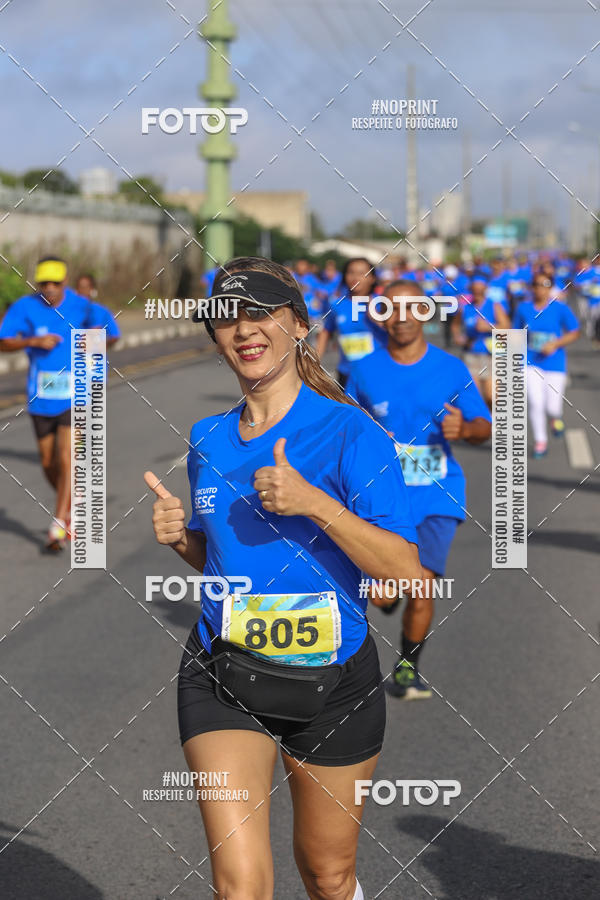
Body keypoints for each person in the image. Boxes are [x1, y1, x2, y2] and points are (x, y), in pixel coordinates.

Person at [145, 257, 422, 900]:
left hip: (332, 679)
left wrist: (315, 502)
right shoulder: (207, 437)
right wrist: (182, 540)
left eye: (259, 312)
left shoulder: (352, 431)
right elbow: (228, 562)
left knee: (327, 874)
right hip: (223, 667)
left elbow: (404, 570)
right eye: (225, 319)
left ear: (297, 324)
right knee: (239, 886)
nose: (242, 329)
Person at [346, 280, 492, 700]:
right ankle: (389, 592)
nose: (402, 317)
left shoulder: (450, 368)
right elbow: (344, 427)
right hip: (381, 495)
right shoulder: (364, 369)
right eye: (391, 308)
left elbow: (483, 424)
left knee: (422, 583)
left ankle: (407, 669)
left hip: (436, 492)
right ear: (380, 316)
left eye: (412, 308)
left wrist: (465, 428)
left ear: (426, 314)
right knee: (382, 590)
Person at [0, 256, 113, 550]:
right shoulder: (26, 307)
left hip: (75, 397)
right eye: (43, 283)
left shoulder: (82, 306)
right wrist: (32, 342)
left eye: (55, 283)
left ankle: (58, 523)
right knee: (49, 463)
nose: (49, 288)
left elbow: (108, 334)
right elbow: (3, 340)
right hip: (41, 399)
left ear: (65, 283)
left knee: (68, 460)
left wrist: (94, 345)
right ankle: (75, 506)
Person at [513, 275, 580, 458]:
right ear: (531, 287)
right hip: (530, 362)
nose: (539, 288)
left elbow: (574, 331)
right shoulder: (522, 308)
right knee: (535, 402)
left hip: (555, 364)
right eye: (535, 284)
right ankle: (540, 441)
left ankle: (555, 419)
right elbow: (516, 334)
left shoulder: (560, 309)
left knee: (552, 408)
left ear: (550, 288)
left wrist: (555, 344)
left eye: (544, 285)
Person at [316, 257, 386, 388]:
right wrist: (315, 362)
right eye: (351, 272)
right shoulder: (337, 304)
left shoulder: (382, 303)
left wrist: (378, 319)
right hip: (347, 373)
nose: (355, 277)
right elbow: (326, 332)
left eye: (362, 273)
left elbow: (398, 334)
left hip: (378, 372)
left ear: (372, 278)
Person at [460, 277, 511, 408]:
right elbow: (454, 325)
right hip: (471, 354)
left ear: (485, 290)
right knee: (474, 395)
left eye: (480, 290)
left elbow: (507, 327)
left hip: (491, 354)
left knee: (491, 396)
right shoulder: (466, 308)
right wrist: (458, 337)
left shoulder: (494, 306)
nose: (477, 293)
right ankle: (482, 424)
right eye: (474, 290)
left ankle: (492, 419)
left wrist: (488, 327)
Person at [75, 273, 121, 347]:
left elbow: (115, 336)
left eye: (86, 287)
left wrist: (99, 345)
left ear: (92, 289)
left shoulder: (102, 311)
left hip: (94, 356)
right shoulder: (68, 311)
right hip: (73, 357)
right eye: (80, 287)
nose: (82, 291)